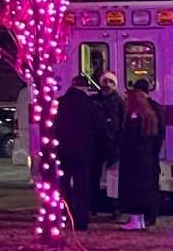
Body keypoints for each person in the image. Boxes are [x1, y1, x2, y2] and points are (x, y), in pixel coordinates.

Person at [56, 75, 104, 231]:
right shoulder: (88, 104)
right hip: (83, 152)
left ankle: (61, 216)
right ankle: (81, 221)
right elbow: (99, 126)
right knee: (81, 187)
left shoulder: (61, 102)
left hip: (62, 151)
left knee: (62, 185)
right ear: (85, 87)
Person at [119, 87, 161, 230]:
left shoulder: (134, 118)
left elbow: (129, 139)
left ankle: (134, 220)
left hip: (134, 159)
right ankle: (141, 220)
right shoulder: (149, 116)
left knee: (133, 189)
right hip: (146, 158)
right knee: (143, 189)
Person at [91, 70, 126, 217]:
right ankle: (92, 205)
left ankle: (115, 205)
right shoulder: (94, 100)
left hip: (113, 143)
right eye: (105, 81)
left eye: (111, 82)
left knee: (114, 177)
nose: (108, 85)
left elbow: (123, 121)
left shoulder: (119, 101)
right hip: (97, 143)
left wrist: (120, 141)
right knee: (93, 175)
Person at [132, 79, 166, 227]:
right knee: (152, 184)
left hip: (143, 153)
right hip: (152, 152)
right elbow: (161, 132)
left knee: (142, 186)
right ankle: (151, 216)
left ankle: (142, 216)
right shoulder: (157, 108)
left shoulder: (138, 109)